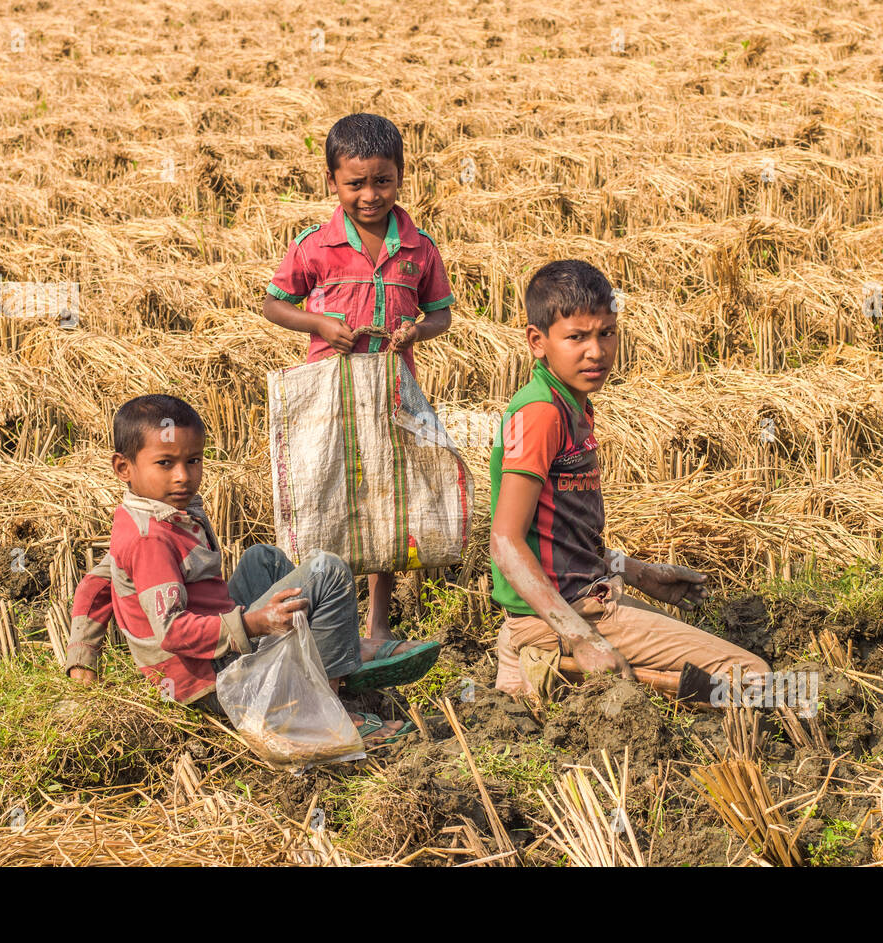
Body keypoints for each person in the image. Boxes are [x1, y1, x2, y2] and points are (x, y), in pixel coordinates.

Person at [64, 394, 439, 745]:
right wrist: (253, 624)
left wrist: (82, 655)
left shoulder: (148, 513)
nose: (182, 476)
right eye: (166, 463)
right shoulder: (150, 538)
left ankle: (333, 651)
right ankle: (321, 707)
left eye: (193, 461)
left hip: (214, 652)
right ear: (122, 467)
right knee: (328, 570)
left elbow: (98, 583)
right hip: (209, 683)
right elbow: (174, 631)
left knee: (264, 559)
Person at [488, 260, 771, 702]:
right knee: (751, 676)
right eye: (576, 337)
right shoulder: (542, 413)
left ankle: (534, 664)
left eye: (606, 332)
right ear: (537, 342)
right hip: (565, 615)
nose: (596, 352)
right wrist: (582, 639)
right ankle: (541, 656)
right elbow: (505, 542)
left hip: (579, 602)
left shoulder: (569, 404)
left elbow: (560, 539)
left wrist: (640, 574)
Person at [262, 112, 454, 646]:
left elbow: (442, 313)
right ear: (332, 183)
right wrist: (320, 324)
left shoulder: (420, 248)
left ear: (400, 175)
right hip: (329, 396)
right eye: (355, 184)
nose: (370, 195)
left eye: (383, 181)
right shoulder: (314, 247)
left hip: (393, 394)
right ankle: (327, 618)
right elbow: (273, 304)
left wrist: (417, 330)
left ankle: (377, 623)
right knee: (330, 497)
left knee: (385, 504)